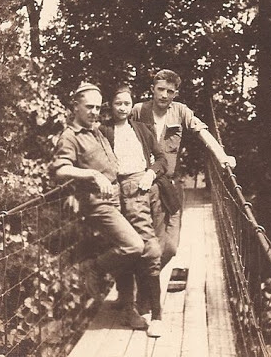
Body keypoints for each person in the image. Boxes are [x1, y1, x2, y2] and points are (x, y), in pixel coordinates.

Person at [50, 82, 146, 327]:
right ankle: (94, 267)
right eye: (88, 107)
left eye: (97, 107)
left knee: (128, 252)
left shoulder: (96, 130)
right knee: (133, 245)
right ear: (76, 106)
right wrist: (92, 175)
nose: (94, 112)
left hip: (118, 195)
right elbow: (60, 169)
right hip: (98, 202)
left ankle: (128, 307)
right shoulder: (70, 136)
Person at [131, 69, 236, 269]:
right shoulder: (138, 110)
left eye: (169, 91)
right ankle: (145, 288)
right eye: (160, 89)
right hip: (143, 186)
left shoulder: (180, 111)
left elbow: (202, 131)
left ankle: (146, 278)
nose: (164, 95)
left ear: (176, 93)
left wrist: (222, 157)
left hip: (170, 186)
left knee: (170, 248)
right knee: (147, 244)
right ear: (152, 89)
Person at [100, 85, 167, 337]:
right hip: (118, 193)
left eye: (127, 103)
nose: (122, 108)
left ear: (132, 106)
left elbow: (161, 160)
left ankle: (156, 314)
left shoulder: (142, 129)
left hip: (144, 191)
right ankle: (130, 309)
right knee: (128, 249)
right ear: (111, 104)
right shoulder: (103, 132)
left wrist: (151, 173)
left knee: (150, 248)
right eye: (118, 103)